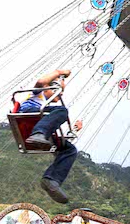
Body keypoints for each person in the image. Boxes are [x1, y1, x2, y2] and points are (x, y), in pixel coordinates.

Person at [17, 69, 82, 203]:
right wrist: (59, 72)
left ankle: (51, 180)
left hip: (39, 125)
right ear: (47, 87)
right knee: (62, 111)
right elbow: (41, 81)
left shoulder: (47, 111)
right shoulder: (37, 94)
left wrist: (74, 129)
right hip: (29, 114)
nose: (60, 93)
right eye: (57, 89)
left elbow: (51, 123)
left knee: (70, 150)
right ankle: (39, 134)